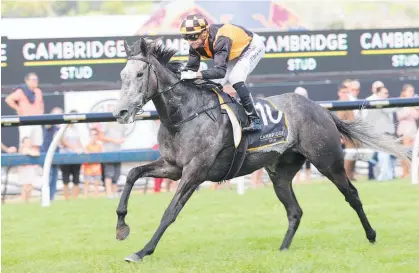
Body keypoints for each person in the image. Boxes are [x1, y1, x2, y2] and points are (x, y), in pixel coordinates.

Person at [179, 14, 265, 132]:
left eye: (193, 36)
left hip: (252, 46)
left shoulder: (221, 38)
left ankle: (255, 120)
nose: (190, 41)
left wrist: (195, 75)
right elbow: (191, 69)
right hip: (233, 52)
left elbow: (220, 71)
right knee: (213, 83)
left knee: (235, 77)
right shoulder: (195, 44)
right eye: (186, 37)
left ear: (205, 32)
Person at [5, 72, 44, 145]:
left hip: (37, 120)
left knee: (37, 144)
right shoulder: (21, 91)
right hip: (26, 120)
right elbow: (8, 99)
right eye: (33, 80)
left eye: (36, 79)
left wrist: (41, 113)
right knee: (26, 143)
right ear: (27, 81)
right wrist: (17, 108)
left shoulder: (38, 91)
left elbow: (41, 103)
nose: (35, 81)